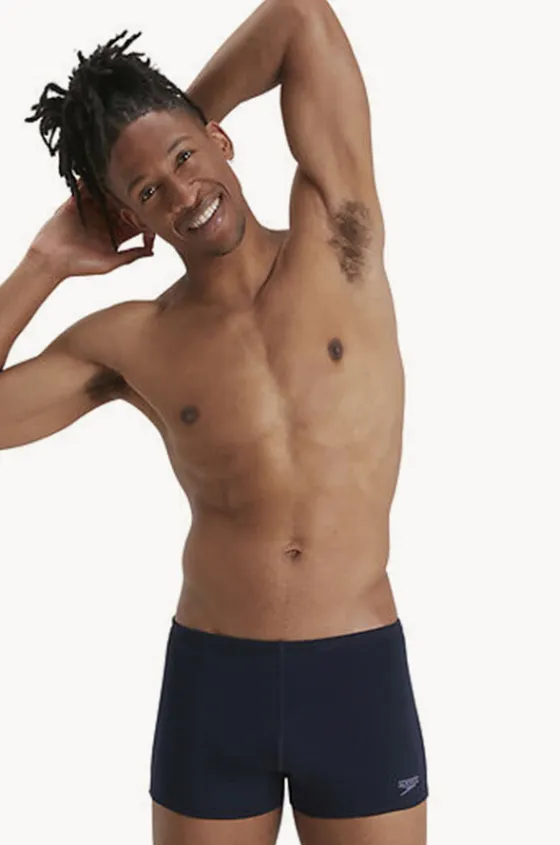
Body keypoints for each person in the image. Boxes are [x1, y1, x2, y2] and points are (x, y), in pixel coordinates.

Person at [0, 1, 428, 843]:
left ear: (221, 139)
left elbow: (299, 17)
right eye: (147, 191)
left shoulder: (339, 235)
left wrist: (178, 121)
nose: (184, 194)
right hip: (215, 681)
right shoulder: (135, 340)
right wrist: (44, 263)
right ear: (130, 217)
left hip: (356, 670)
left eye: (186, 157)